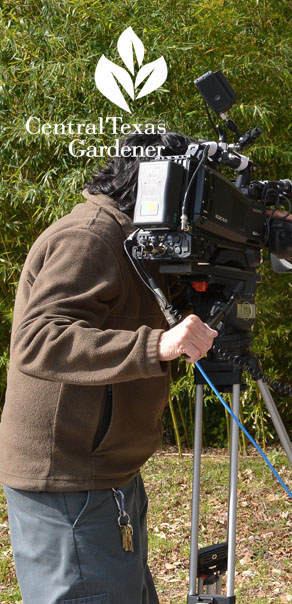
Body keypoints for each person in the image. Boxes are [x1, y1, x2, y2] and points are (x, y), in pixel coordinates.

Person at [0, 132, 218, 603]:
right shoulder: (91, 235)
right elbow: (38, 341)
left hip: (104, 468)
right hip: (67, 475)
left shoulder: (137, 240)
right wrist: (157, 344)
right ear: (160, 183)